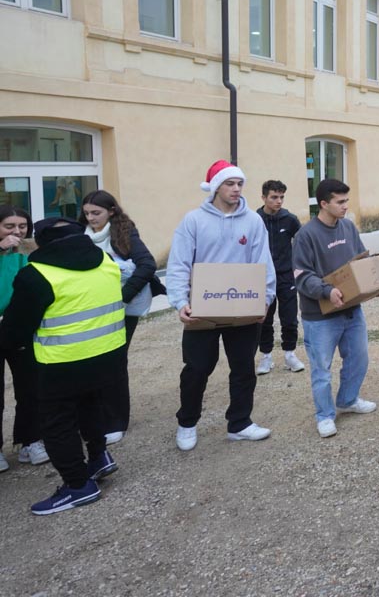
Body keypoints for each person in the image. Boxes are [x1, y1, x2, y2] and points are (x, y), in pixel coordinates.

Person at [0, 218, 125, 514]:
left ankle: (77, 485)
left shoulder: (37, 275)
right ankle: (98, 457)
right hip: (107, 355)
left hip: (61, 363)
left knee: (58, 425)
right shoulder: (105, 260)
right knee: (90, 406)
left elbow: (15, 331)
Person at [166, 160, 276, 451]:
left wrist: (264, 299)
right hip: (203, 309)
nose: (236, 189)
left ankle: (239, 423)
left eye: (240, 184)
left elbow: (263, 262)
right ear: (215, 187)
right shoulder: (193, 221)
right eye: (230, 183)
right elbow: (178, 264)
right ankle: (187, 422)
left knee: (243, 367)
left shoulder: (252, 221)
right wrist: (180, 301)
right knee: (198, 367)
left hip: (242, 308)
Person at [292, 179, 377, 438]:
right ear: (323, 204)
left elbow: (362, 261)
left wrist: (375, 282)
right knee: (322, 369)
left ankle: (348, 400)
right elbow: (301, 275)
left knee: (359, 358)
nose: (345, 206)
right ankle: (325, 415)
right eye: (340, 202)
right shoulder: (306, 236)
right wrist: (327, 290)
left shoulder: (349, 228)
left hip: (351, 310)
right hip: (320, 317)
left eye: (346, 201)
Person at [81, 190, 161, 444]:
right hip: (89, 308)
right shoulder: (79, 235)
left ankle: (116, 420)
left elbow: (147, 264)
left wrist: (123, 297)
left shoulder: (125, 233)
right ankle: (92, 415)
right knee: (90, 361)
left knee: (114, 361)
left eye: (96, 213)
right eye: (87, 214)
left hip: (122, 310)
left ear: (111, 211)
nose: (91, 218)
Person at [1, 205, 48, 471]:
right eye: (9, 226)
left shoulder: (30, 250)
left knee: (30, 386)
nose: (17, 232)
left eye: (22, 226)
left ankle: (30, 441)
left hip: (20, 325)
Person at [255, 180, 305, 375]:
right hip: (262, 278)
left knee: (290, 318)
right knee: (264, 319)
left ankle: (289, 354)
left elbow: (301, 245)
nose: (279, 201)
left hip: (286, 277)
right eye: (274, 197)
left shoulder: (290, 220)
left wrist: (299, 269)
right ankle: (266, 357)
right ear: (264, 198)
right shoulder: (255, 219)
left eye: (281, 197)